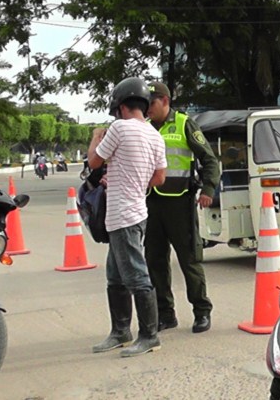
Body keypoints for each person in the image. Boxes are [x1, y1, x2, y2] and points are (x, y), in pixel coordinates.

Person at [88, 77, 167, 357]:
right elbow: (159, 177)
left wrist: (96, 137)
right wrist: (133, 182)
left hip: (123, 215)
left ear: (121, 106)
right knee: (115, 276)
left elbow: (94, 161)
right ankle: (120, 331)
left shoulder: (119, 128)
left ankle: (149, 336)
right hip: (137, 211)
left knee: (135, 275)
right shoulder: (155, 135)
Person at [144, 82, 221, 334]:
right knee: (155, 261)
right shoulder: (145, 127)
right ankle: (166, 314)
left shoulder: (184, 124)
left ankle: (201, 311)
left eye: (152, 103)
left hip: (180, 202)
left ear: (165, 101)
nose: (148, 108)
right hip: (152, 202)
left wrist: (208, 189)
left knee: (189, 260)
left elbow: (209, 159)